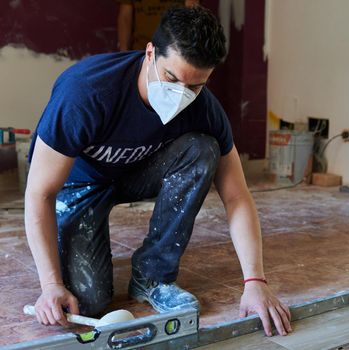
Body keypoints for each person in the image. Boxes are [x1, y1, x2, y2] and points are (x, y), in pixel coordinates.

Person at [25, 6, 292, 337]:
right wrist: (50, 284)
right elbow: (40, 192)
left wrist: (255, 281)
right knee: (89, 301)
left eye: (194, 86)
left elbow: (237, 196)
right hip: (79, 183)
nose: (180, 94)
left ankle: (152, 275)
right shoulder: (87, 93)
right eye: (171, 78)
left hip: (132, 173)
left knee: (203, 149)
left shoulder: (205, 109)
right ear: (150, 53)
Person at [117, 0, 200, 51]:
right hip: (141, 50)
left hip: (175, 51)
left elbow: (192, 11)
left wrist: (191, 52)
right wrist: (124, 52)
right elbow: (125, 17)